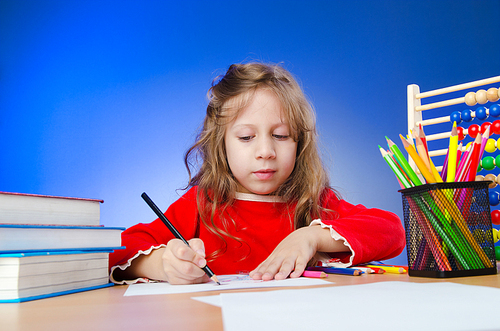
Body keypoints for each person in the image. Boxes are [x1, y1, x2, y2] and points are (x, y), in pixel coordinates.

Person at [109, 62, 405, 285]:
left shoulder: (314, 202)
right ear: (221, 144)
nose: (266, 151)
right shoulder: (202, 203)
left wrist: (311, 237)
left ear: (299, 142)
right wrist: (162, 263)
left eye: (281, 135)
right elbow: (118, 250)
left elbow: (391, 231)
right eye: (246, 137)